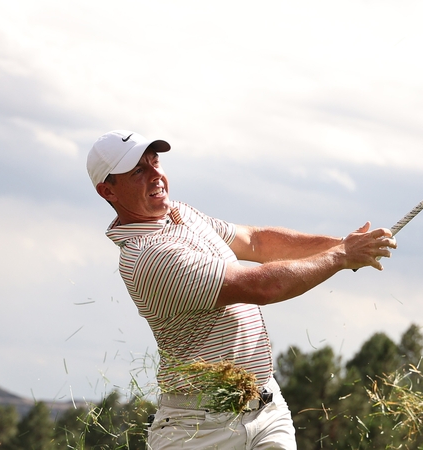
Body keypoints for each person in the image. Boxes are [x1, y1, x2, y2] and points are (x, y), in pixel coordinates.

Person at [86, 130, 397, 449]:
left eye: (155, 161)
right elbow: (261, 286)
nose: (156, 175)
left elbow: (255, 241)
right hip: (198, 431)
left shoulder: (179, 214)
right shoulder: (147, 254)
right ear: (107, 190)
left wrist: (348, 244)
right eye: (138, 170)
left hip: (266, 410)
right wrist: (342, 256)